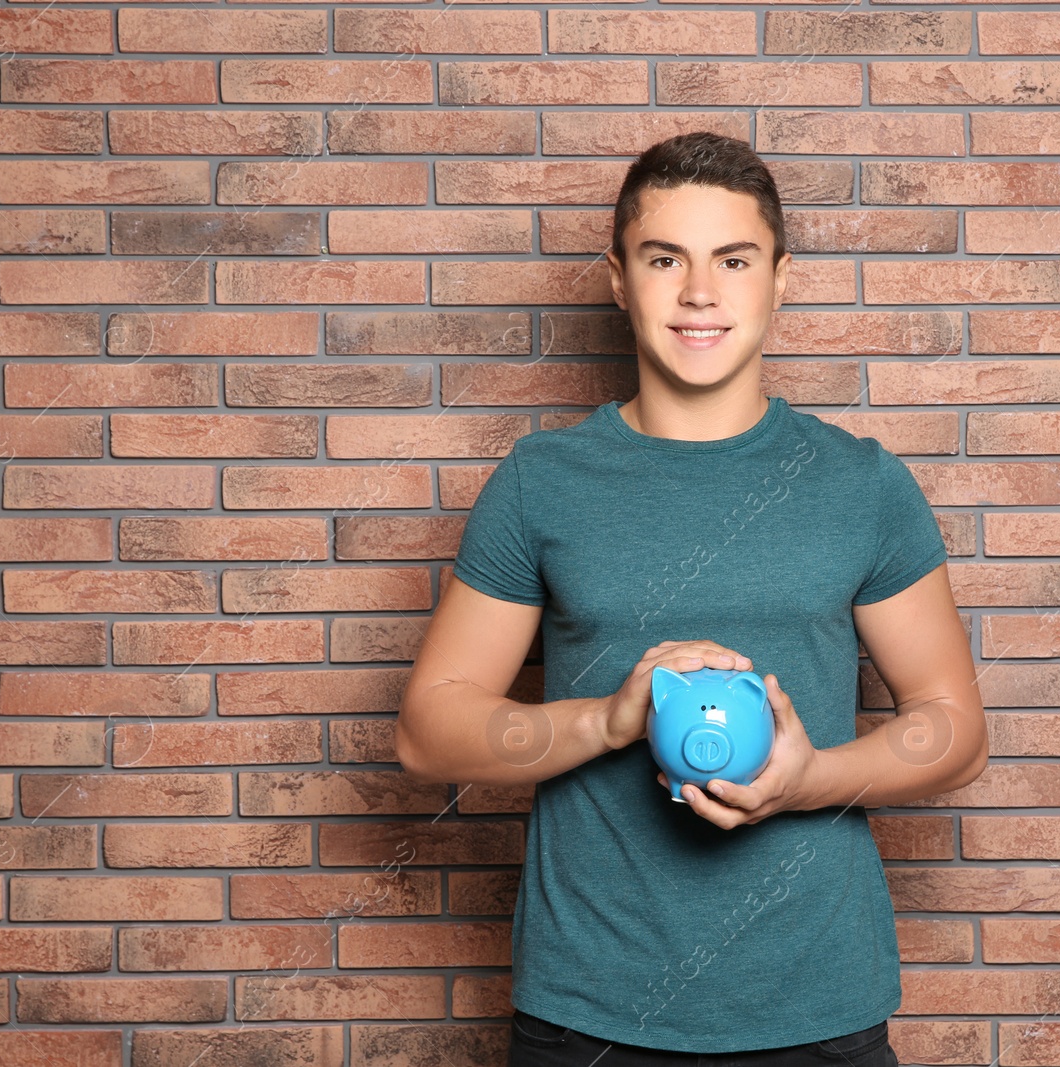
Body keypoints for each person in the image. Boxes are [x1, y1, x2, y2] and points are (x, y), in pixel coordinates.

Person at [395, 132, 988, 1066]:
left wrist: (807, 782)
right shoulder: (541, 481)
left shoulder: (863, 485)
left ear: (781, 277)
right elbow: (429, 730)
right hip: (587, 1013)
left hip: (817, 1007)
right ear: (619, 280)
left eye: (734, 259)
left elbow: (954, 727)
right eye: (665, 258)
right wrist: (608, 719)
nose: (699, 292)